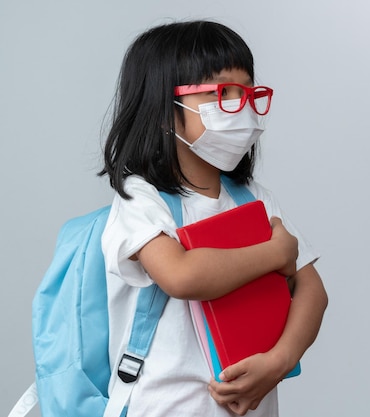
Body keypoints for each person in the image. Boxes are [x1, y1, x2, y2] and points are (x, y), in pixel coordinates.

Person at [98, 20, 328, 416]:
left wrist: (280, 361)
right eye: (224, 93)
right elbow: (183, 276)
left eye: (249, 93)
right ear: (163, 108)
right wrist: (276, 254)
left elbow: (313, 292)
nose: (242, 109)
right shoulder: (142, 199)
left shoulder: (253, 199)